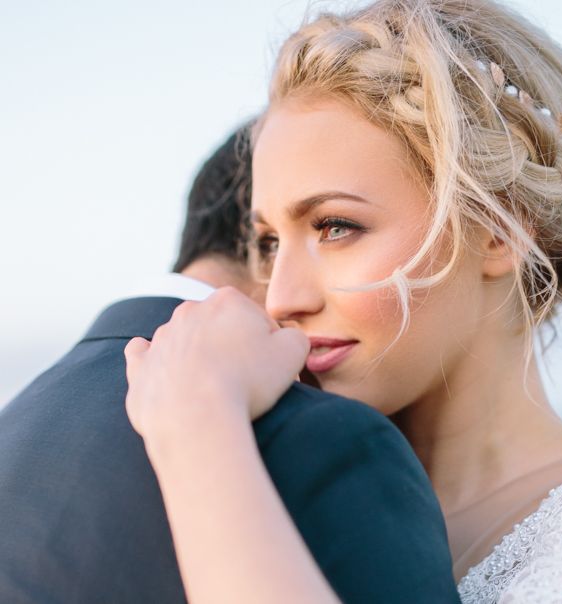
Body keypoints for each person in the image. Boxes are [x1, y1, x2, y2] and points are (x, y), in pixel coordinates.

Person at [124, 0, 562, 602]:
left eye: (334, 226)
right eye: (270, 241)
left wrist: (198, 431)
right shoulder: (280, 484)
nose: (280, 297)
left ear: (500, 228)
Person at [0, 126, 459, 603]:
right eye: (327, 227)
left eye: (336, 227)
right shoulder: (324, 437)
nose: (291, 297)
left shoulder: (16, 424)